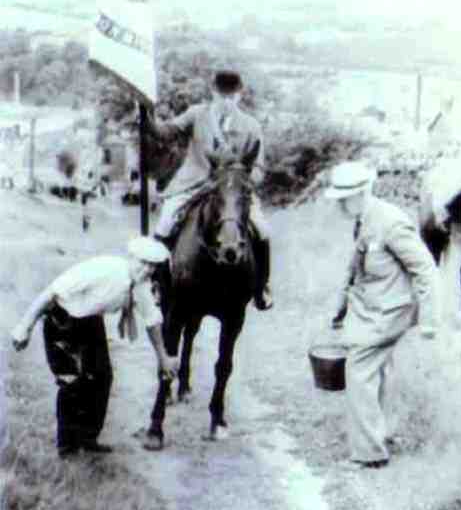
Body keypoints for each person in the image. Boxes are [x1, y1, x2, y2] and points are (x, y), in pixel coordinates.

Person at [11, 236, 179, 459]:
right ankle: (67, 446)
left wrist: (163, 358)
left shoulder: (139, 285)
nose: (147, 269)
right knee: (71, 381)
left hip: (91, 322)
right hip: (63, 318)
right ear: (131, 258)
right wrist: (24, 327)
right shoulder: (104, 270)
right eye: (143, 262)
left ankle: (89, 438)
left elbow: (152, 321)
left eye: (152, 265)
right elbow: (51, 293)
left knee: (102, 377)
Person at [325, 161, 438, 469]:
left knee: (359, 370)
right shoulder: (363, 218)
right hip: (370, 307)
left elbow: (425, 268)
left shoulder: (390, 222)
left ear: (360, 194)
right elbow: (356, 267)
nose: (337, 205)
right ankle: (382, 433)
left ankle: (368, 454)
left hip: (391, 310)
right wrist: (340, 307)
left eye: (342, 199)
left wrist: (429, 320)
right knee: (378, 371)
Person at [145, 69, 272, 310]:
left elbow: (259, 166)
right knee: (164, 223)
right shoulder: (196, 114)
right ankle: (158, 284)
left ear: (239, 96)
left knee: (263, 229)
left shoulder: (252, 126)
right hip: (193, 183)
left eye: (231, 96)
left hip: (233, 191)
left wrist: (243, 181)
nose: (226, 101)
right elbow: (165, 132)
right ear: (212, 93)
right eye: (221, 95)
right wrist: (146, 116)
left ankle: (261, 288)